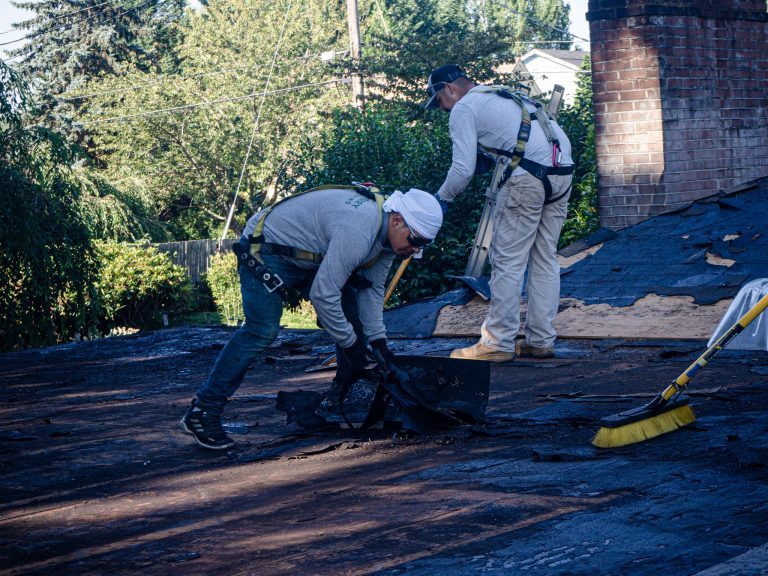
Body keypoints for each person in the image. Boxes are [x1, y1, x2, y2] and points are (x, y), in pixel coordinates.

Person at [180, 185, 443, 449]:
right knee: (262, 330)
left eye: (422, 246)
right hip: (266, 248)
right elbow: (323, 295)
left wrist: (379, 344)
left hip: (307, 255)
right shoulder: (359, 232)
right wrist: (352, 346)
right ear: (397, 220)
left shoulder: (388, 240)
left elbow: (372, 292)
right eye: (415, 241)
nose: (414, 250)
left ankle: (343, 402)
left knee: (353, 312)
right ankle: (203, 411)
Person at [425, 64, 574, 362]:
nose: (440, 107)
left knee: (507, 260)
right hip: (563, 171)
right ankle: (540, 341)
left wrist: (442, 198)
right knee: (544, 258)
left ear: (450, 88)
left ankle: (497, 342)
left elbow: (462, 169)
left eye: (439, 99)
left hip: (527, 177)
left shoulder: (464, 108)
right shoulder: (503, 95)